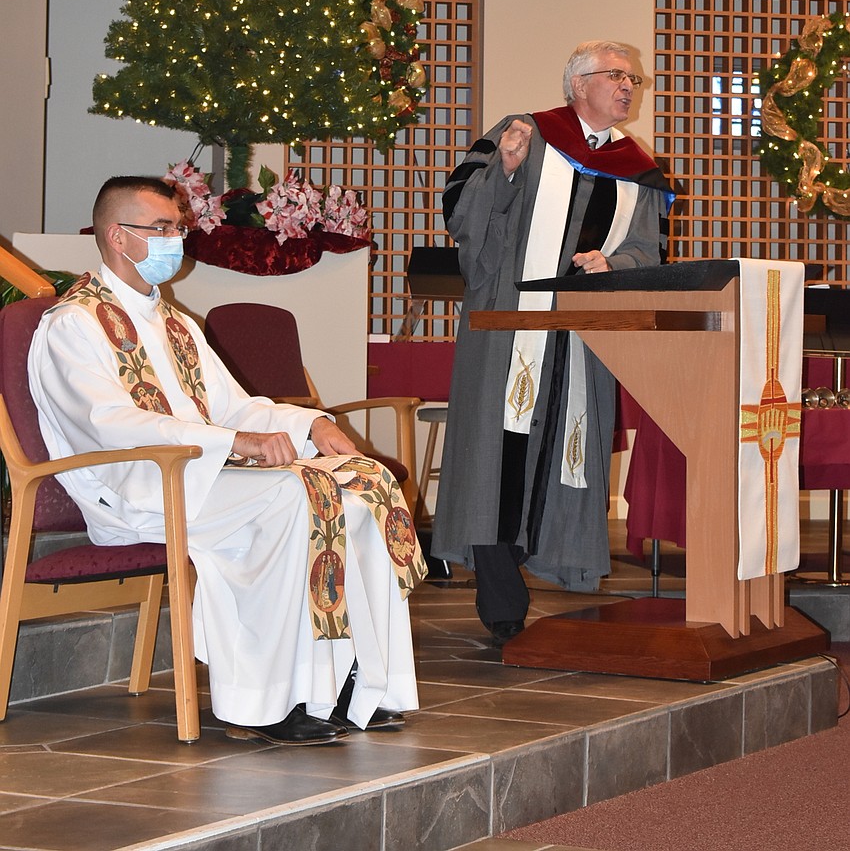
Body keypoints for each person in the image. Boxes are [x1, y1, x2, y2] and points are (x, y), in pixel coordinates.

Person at [28, 176, 423, 745]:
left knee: (360, 485)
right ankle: (265, 701)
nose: (176, 239)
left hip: (202, 474)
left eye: (177, 227)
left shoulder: (175, 323)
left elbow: (235, 406)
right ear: (117, 235)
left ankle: (355, 684)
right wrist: (235, 443)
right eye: (161, 228)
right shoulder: (73, 325)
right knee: (292, 496)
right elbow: (107, 423)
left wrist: (309, 423)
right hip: (137, 487)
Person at [431, 41, 674, 642]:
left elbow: (649, 249)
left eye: (632, 78)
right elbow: (463, 214)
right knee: (499, 449)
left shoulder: (637, 167)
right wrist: (507, 170)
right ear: (578, 84)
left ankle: (531, 558)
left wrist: (612, 262)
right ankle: (499, 588)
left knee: (555, 452)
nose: (627, 86)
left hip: (579, 337)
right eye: (615, 76)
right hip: (511, 323)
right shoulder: (525, 133)